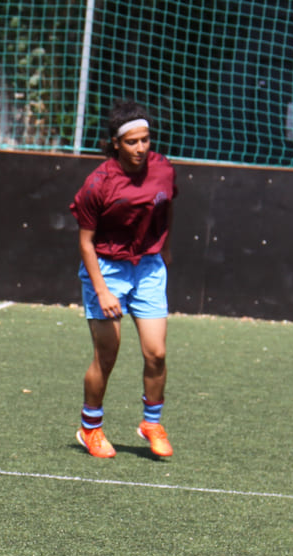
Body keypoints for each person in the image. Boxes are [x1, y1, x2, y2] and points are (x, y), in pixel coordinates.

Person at [69, 99, 176, 459]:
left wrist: (166, 246)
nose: (141, 148)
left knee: (156, 353)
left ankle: (151, 422)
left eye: (146, 140)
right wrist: (101, 290)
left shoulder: (163, 169)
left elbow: (166, 205)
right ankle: (91, 429)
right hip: (107, 269)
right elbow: (85, 242)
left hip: (148, 267)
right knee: (107, 355)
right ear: (116, 143)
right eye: (132, 142)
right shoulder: (97, 184)